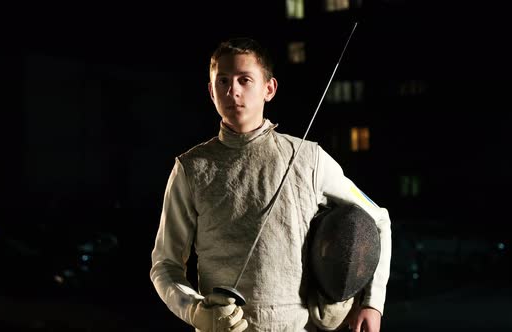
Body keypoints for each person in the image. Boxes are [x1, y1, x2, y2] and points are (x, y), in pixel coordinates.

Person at [150, 37, 392, 332]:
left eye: (245, 80)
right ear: (211, 92)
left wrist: (372, 303)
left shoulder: (308, 159)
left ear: (269, 89)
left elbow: (378, 219)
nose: (232, 90)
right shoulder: (191, 168)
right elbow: (165, 265)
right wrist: (195, 312)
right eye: (223, 80)